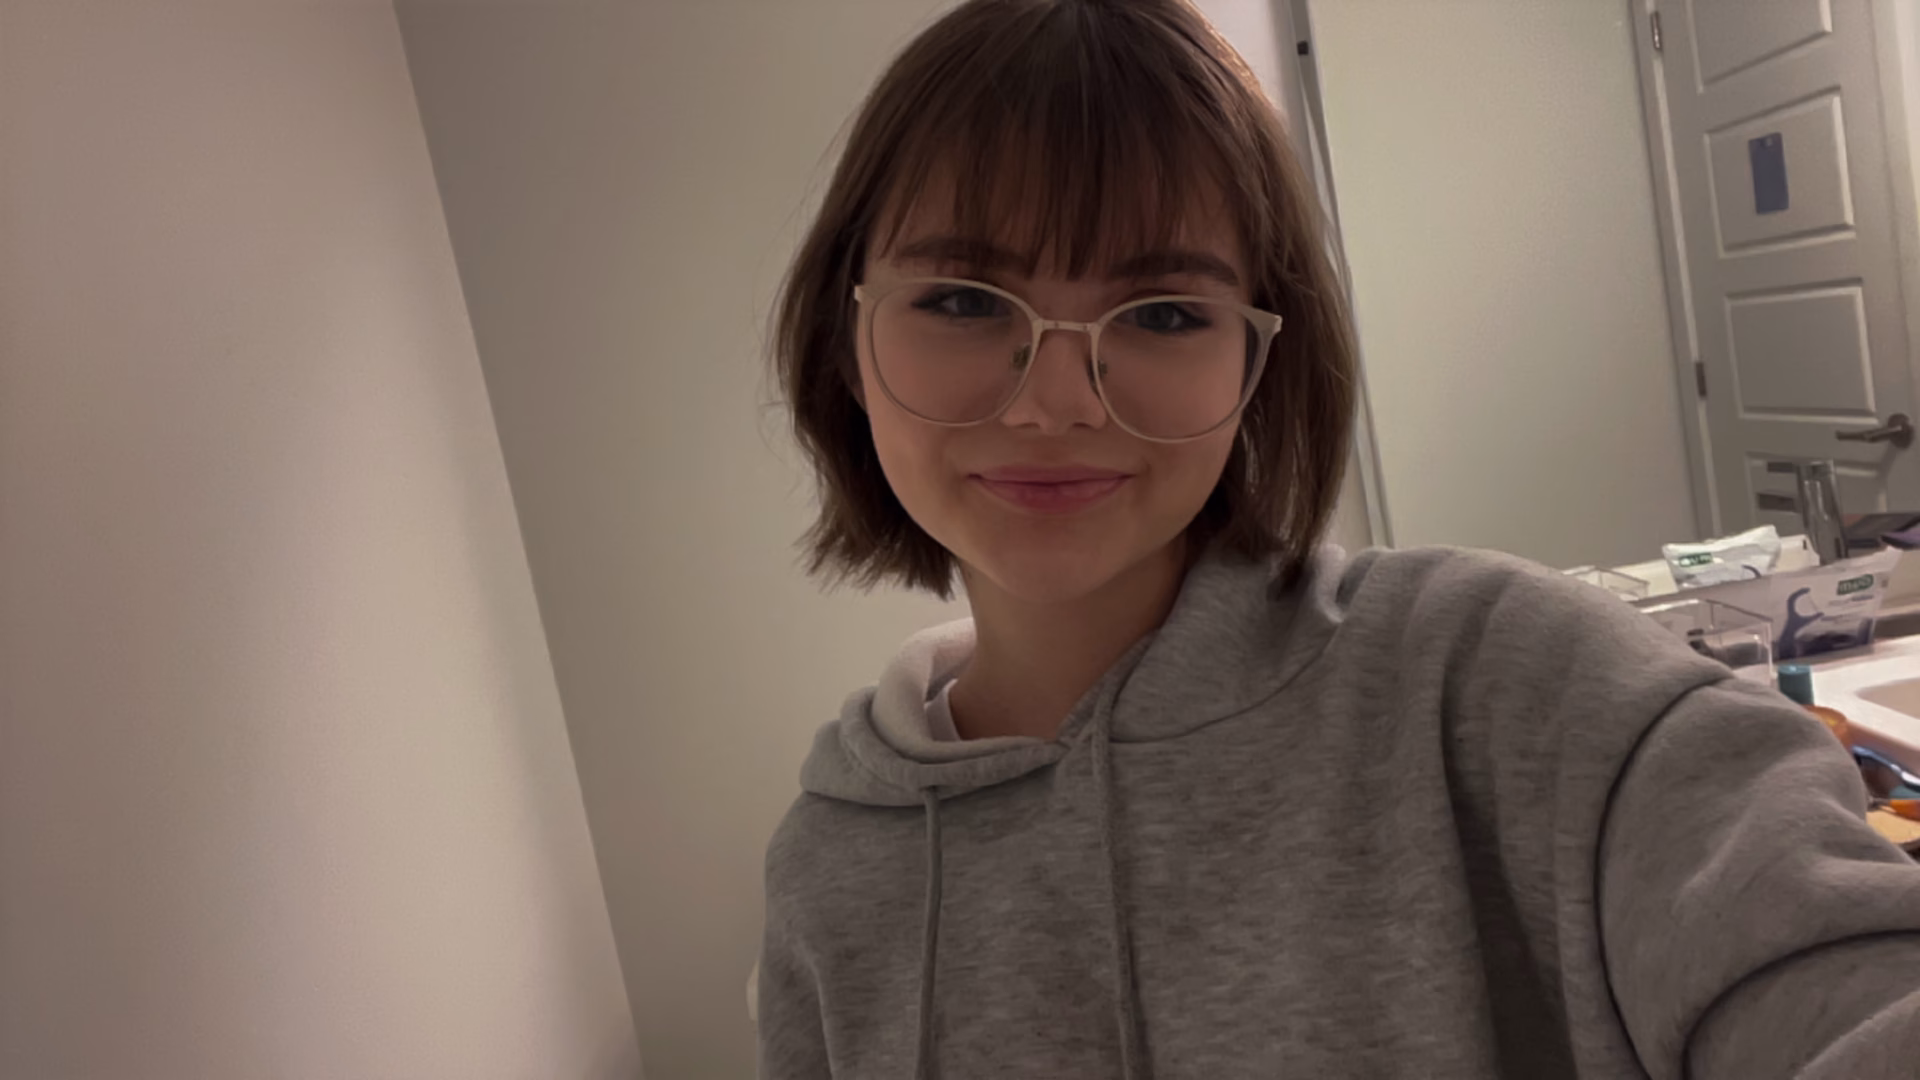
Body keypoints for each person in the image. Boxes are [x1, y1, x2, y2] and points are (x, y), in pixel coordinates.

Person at [758, 0, 1920, 1076]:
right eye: (962, 300)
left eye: (1164, 313)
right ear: (844, 337)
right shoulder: (831, 867)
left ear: (1258, 365)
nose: (1054, 401)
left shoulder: (1505, 686)